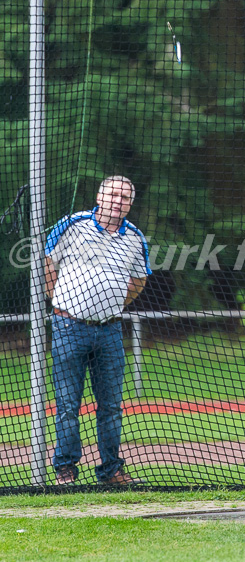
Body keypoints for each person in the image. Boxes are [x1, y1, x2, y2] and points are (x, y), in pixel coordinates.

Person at [45, 176, 152, 486]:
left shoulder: (135, 238)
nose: (118, 201)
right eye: (113, 194)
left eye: (125, 197)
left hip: (109, 332)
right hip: (68, 327)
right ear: (99, 196)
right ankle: (65, 470)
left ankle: (110, 471)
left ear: (131, 204)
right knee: (67, 404)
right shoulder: (73, 225)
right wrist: (58, 301)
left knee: (110, 406)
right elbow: (48, 264)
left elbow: (139, 281)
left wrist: (114, 304)